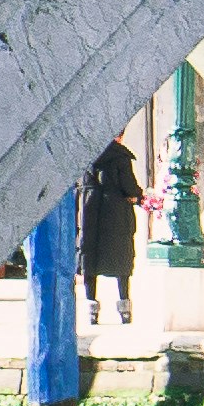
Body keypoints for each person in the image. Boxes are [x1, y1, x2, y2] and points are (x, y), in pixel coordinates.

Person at [78, 136, 144, 338]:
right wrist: (139, 196)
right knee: (120, 259)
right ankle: (124, 308)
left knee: (89, 257)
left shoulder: (83, 153)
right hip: (115, 212)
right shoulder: (120, 157)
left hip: (89, 210)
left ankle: (92, 310)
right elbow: (129, 188)